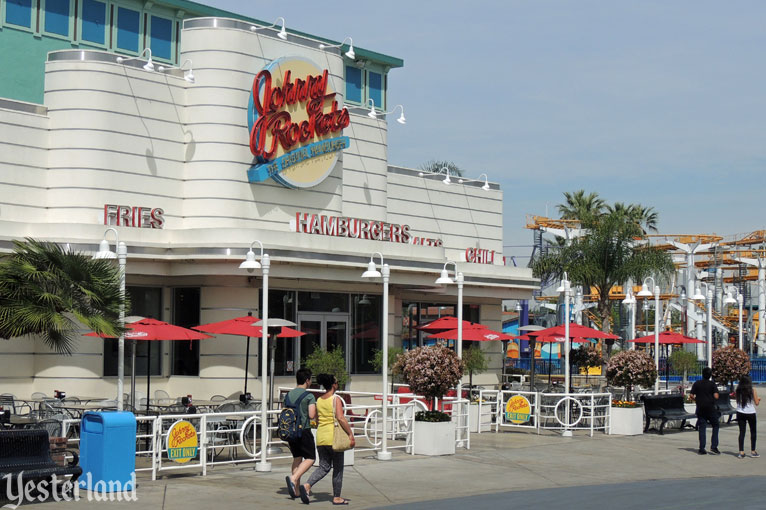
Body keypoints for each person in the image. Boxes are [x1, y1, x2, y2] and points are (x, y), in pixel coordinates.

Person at [300, 373, 355, 505]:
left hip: (321, 437)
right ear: (333, 385)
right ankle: (337, 497)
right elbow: (341, 418)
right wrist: (350, 434)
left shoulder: (319, 400)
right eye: (336, 382)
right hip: (334, 438)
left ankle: (307, 485)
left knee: (324, 466)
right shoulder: (335, 399)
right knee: (338, 468)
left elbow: (317, 419)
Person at [285, 368, 317, 500]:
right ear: (307, 380)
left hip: (290, 431)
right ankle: (294, 478)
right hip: (303, 430)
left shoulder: (288, 395)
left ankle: (296, 490)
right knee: (310, 458)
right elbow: (311, 415)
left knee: (297, 458)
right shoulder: (309, 396)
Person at [690, 367, 720, 455]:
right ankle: (714, 446)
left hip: (700, 408)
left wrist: (696, 400)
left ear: (702, 374)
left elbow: (691, 395)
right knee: (715, 425)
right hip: (710, 408)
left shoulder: (697, 383)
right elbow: (716, 396)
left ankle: (702, 448)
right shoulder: (712, 384)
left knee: (702, 428)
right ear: (710, 375)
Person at [735, 375, 760, 459]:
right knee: (753, 431)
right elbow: (756, 403)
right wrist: (758, 399)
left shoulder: (738, 390)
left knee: (742, 432)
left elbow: (737, 401)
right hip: (750, 413)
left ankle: (741, 452)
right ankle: (753, 451)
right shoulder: (752, 390)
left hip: (740, 412)